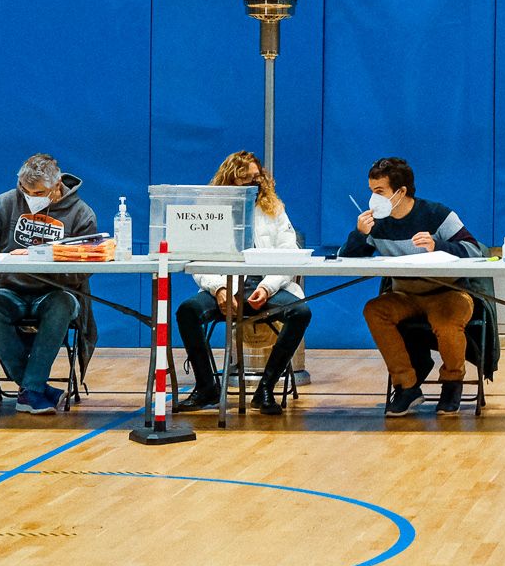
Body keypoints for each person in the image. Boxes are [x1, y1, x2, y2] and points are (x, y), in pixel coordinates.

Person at [174, 151, 312, 417]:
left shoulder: (274, 208)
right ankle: (206, 387)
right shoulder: (209, 212)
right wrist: (219, 289)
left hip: (266, 285)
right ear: (229, 182)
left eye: (256, 178)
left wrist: (268, 287)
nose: (253, 184)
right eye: (245, 179)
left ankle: (266, 388)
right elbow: (198, 258)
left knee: (301, 312)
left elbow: (289, 252)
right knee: (187, 311)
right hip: (225, 285)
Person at [346, 157, 486, 416]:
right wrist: (359, 233)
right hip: (406, 295)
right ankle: (406, 386)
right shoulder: (376, 223)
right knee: (374, 310)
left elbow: (475, 250)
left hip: (448, 293)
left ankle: (453, 382)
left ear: (401, 192)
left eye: (379, 192)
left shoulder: (437, 214)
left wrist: (439, 245)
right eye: (371, 192)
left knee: (446, 322)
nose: (373, 200)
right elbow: (348, 257)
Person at [0, 154, 97, 414]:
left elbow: (85, 266)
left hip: (57, 291)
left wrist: (43, 254)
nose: (30, 195)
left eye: (38, 192)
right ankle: (34, 389)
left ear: (56, 186)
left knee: (61, 307)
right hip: (11, 290)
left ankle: (31, 390)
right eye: (25, 190)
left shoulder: (81, 213)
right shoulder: (5, 202)